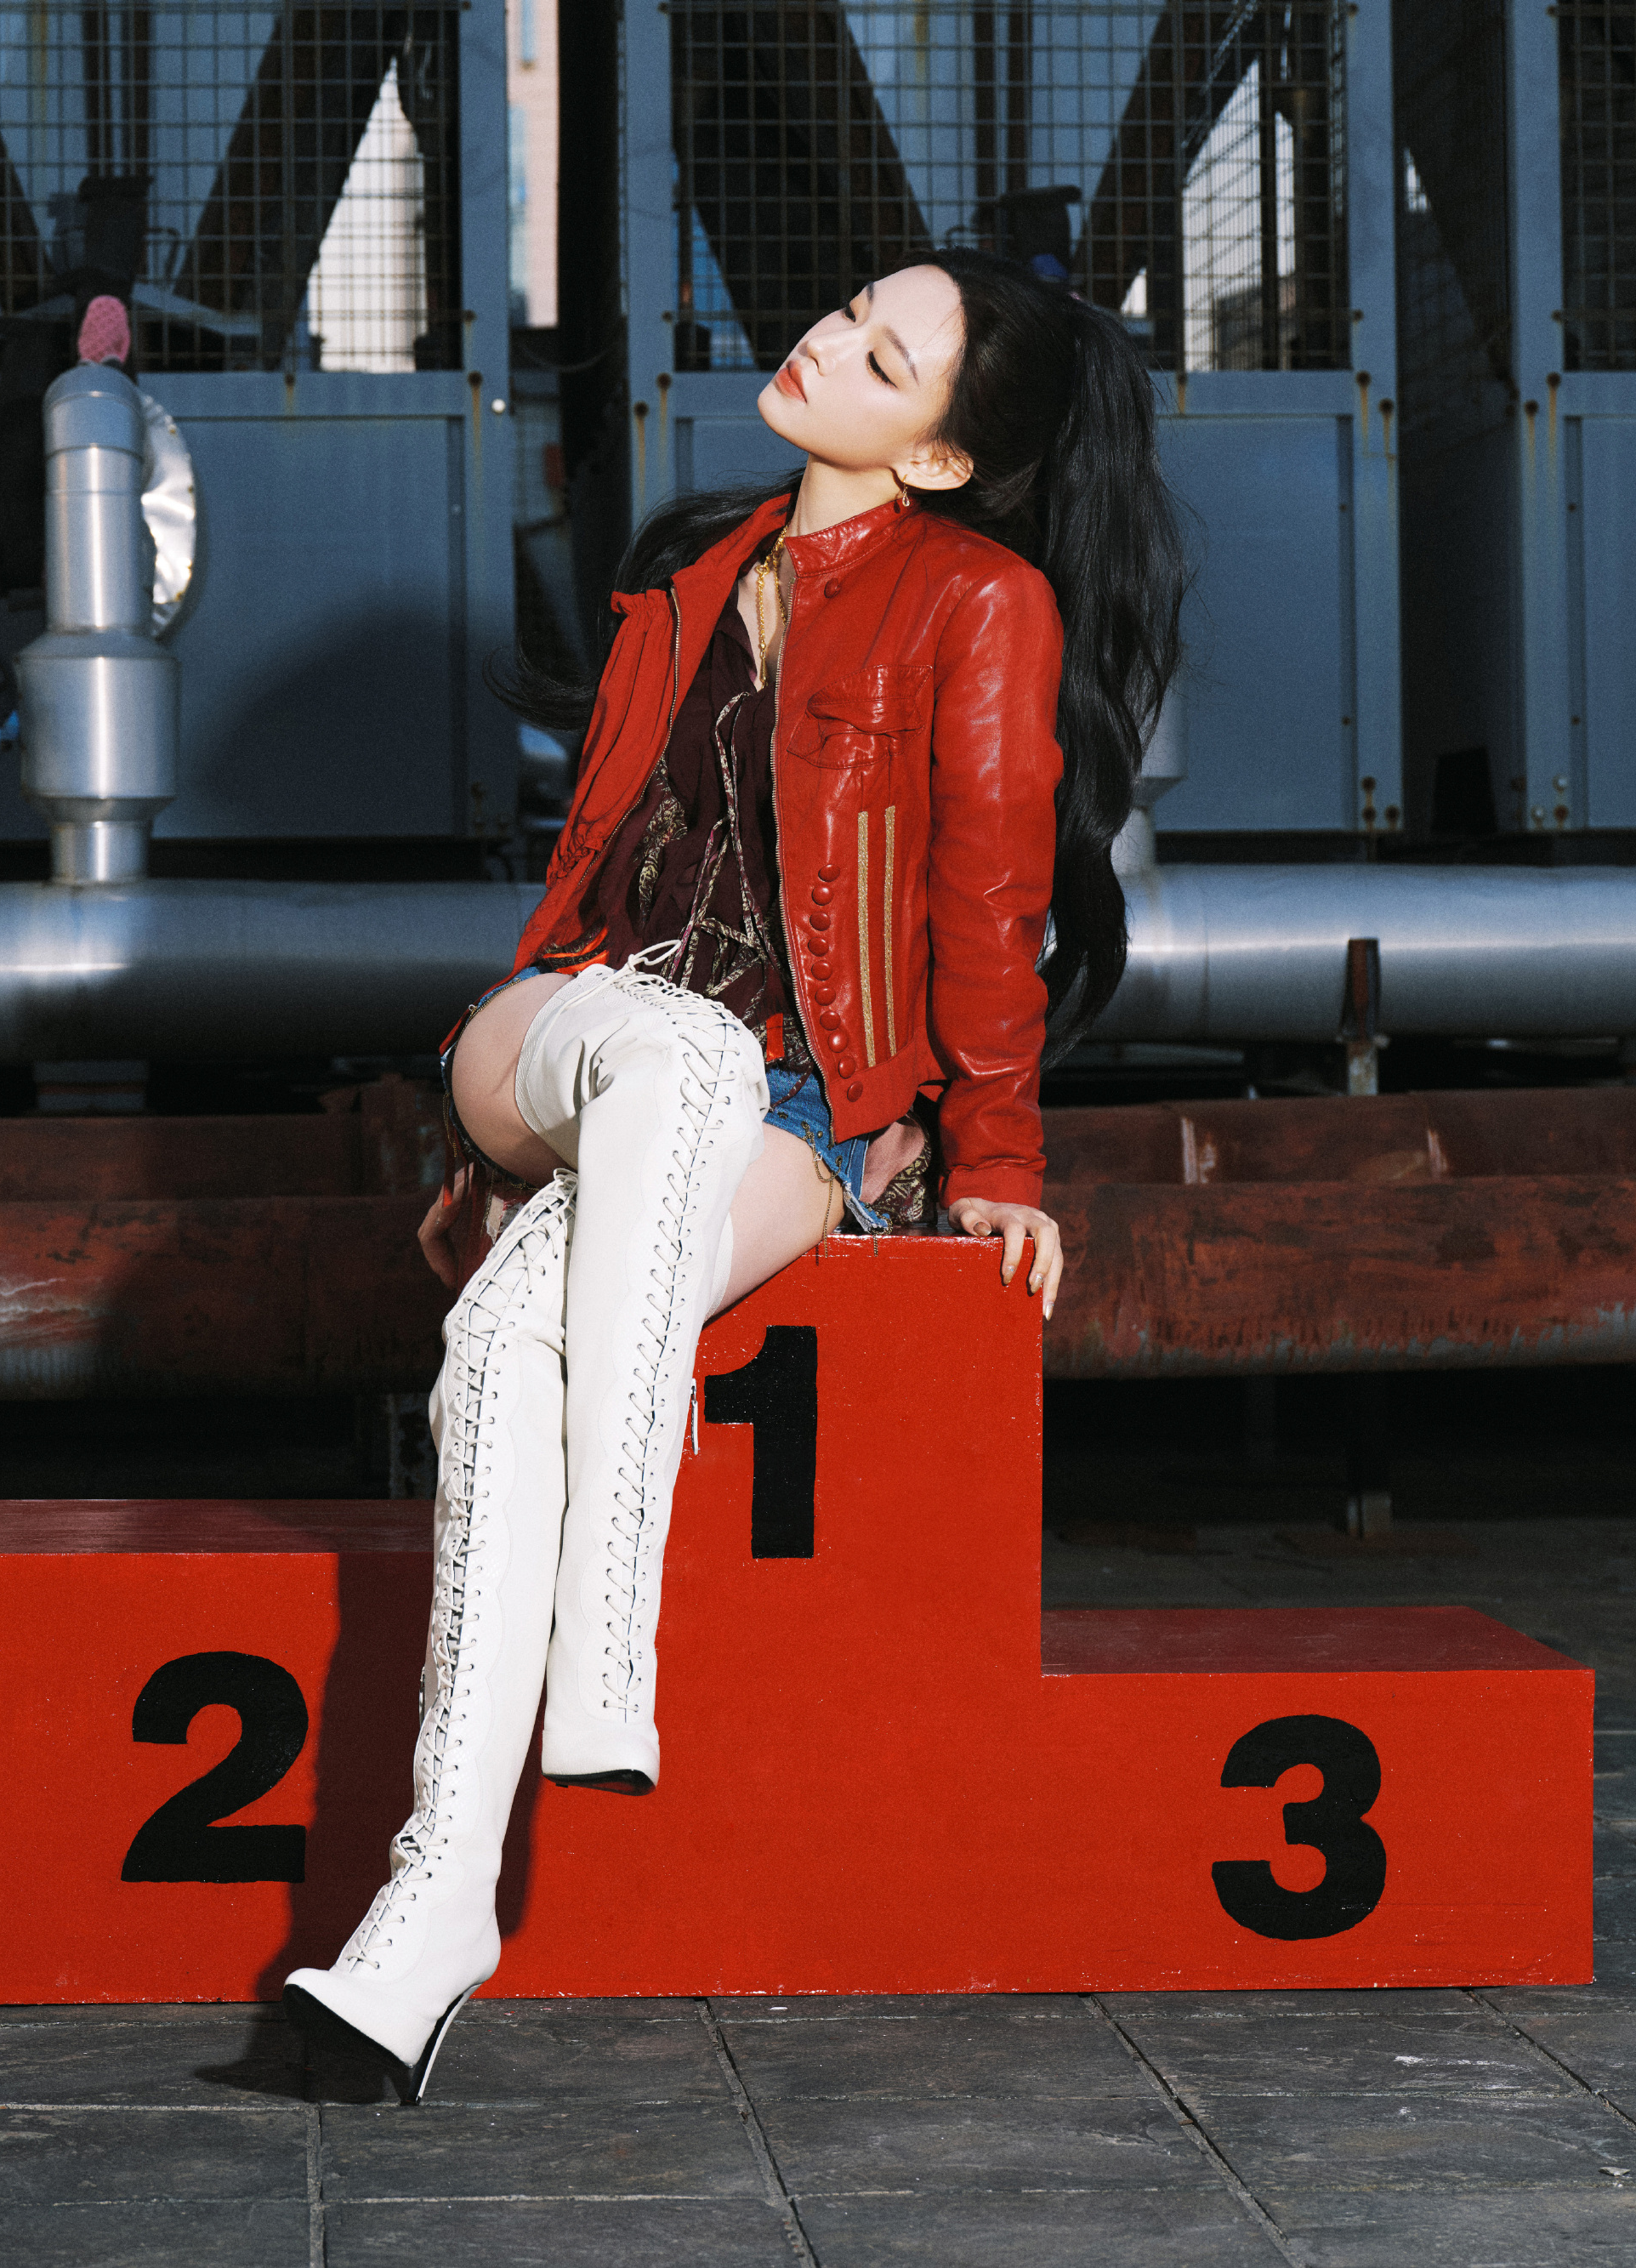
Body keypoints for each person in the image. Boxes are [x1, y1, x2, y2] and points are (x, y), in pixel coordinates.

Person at [282, 250, 1184, 2101]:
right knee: (666, 1042)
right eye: (850, 310)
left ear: (940, 459)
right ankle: (607, 1651)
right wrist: (504, 1109)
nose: (825, 341)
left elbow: (988, 897)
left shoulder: (980, 602)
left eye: (881, 354)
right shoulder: (691, 566)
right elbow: (598, 853)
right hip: (566, 1029)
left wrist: (994, 1150)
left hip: (797, 1100)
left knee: (503, 1348)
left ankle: (430, 1910)